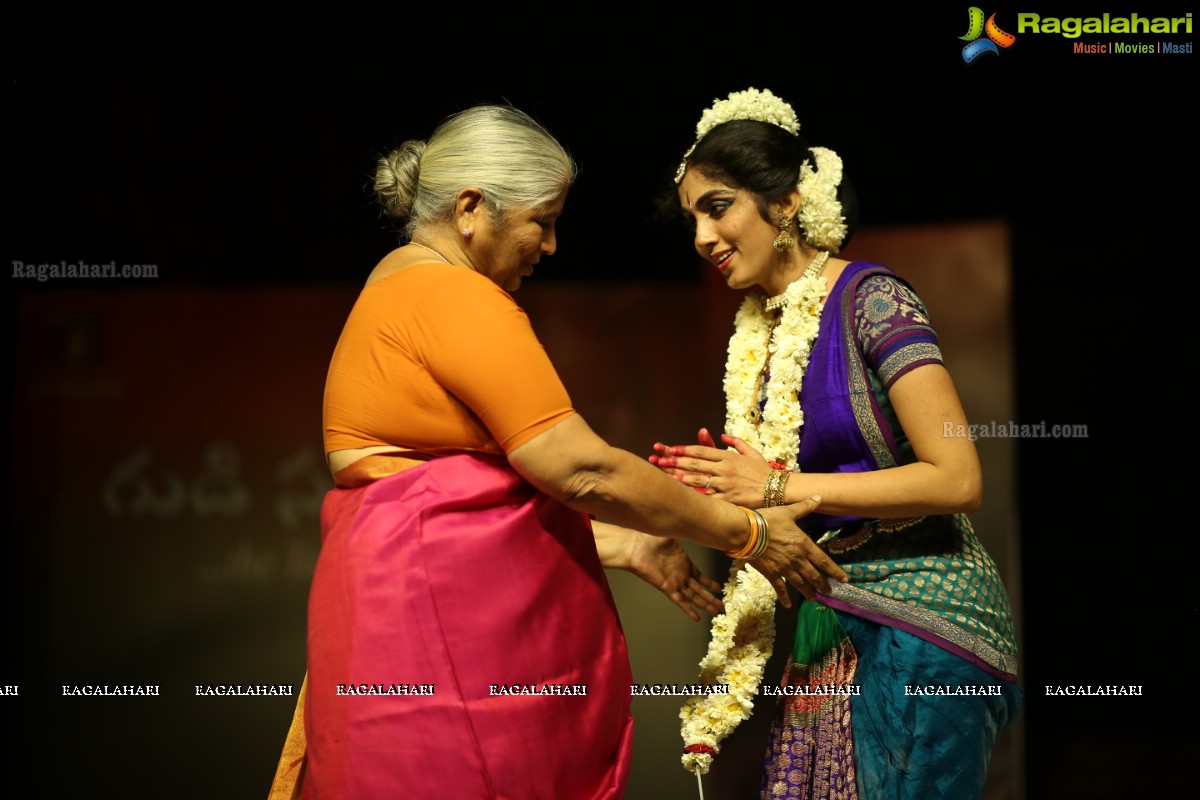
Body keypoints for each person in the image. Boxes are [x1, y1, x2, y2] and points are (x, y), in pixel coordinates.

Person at [266, 102, 849, 800]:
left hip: (395, 616)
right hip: (432, 636)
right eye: (540, 222)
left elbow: (454, 494)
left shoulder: (395, 283)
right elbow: (581, 466)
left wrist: (627, 543)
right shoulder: (451, 295)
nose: (549, 247)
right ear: (471, 208)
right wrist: (747, 531)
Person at [652, 88, 1021, 799]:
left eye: (717, 205)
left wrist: (774, 489)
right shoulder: (756, 337)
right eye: (691, 216)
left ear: (786, 202)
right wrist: (690, 499)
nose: (700, 236)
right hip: (828, 626)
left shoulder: (873, 299)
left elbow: (956, 477)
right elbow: (774, 492)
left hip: (926, 626)